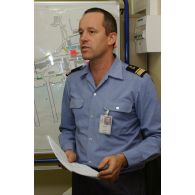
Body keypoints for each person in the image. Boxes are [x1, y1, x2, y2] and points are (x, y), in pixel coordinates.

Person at [59, 7, 161, 195]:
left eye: (92, 31)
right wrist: (68, 149)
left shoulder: (138, 82)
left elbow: (158, 137)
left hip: (124, 183)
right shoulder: (73, 81)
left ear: (111, 38)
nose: (83, 38)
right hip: (82, 181)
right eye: (81, 32)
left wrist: (124, 158)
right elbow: (67, 129)